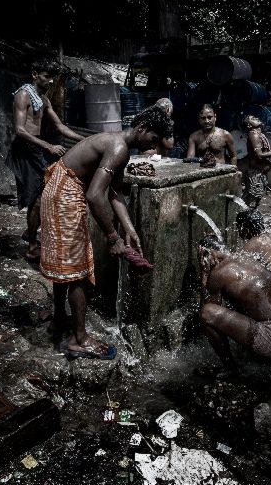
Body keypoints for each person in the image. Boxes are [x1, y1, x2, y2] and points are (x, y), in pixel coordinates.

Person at [40, 106, 173, 359]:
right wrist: (113, 237)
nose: (153, 148)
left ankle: (59, 319)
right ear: (142, 128)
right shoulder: (119, 148)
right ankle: (78, 339)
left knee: (64, 263)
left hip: (56, 189)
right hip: (64, 196)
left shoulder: (117, 143)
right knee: (76, 271)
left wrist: (129, 228)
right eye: (153, 140)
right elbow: (94, 195)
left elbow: (115, 192)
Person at [196, 234, 271, 376]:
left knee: (207, 313)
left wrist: (204, 274)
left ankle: (230, 369)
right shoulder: (244, 258)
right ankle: (261, 355)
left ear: (206, 255)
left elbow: (209, 310)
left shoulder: (219, 272)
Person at [6, 60, 84, 262]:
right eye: (46, 76)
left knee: (48, 191)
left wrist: (86, 140)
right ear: (34, 73)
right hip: (25, 150)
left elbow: (60, 127)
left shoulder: (43, 99)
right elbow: (20, 130)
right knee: (37, 198)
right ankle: (32, 246)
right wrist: (48, 146)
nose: (50, 81)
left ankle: (29, 231)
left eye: (52, 77)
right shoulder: (23, 95)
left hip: (36, 149)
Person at [240, 114, 271, 207]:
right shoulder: (254, 135)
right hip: (255, 172)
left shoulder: (259, 134)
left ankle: (246, 214)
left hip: (260, 171)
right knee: (252, 196)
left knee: (255, 196)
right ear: (249, 126)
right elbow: (259, 155)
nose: (257, 118)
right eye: (253, 119)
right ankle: (244, 215)